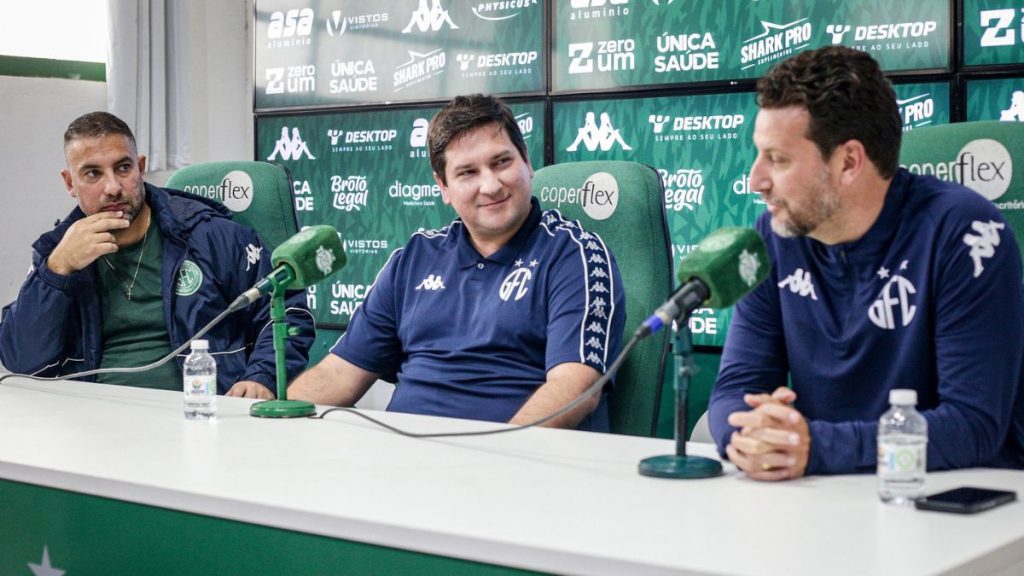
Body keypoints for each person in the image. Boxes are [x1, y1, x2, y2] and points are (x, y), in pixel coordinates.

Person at [708, 46, 1024, 480]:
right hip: (828, 494)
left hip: (953, 502)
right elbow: (735, 389)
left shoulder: (964, 232)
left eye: (778, 159)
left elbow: (973, 426)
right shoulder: (774, 235)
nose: (755, 180)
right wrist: (747, 437)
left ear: (849, 162)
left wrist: (814, 447)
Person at [277, 94, 626, 430]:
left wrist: (495, 455)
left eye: (501, 162)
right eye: (468, 173)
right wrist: (273, 426)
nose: (490, 185)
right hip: (402, 464)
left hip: (515, 468)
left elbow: (575, 389)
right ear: (443, 187)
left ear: (527, 162)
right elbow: (338, 375)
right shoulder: (413, 259)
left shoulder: (574, 254)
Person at [0, 112, 313, 396]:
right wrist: (57, 269)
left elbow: (288, 312)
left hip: (201, 413)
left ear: (141, 167)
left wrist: (262, 377)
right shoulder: (59, 251)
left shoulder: (208, 235)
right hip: (92, 421)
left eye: (123, 168)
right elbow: (22, 360)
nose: (112, 187)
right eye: (92, 174)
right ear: (70, 183)